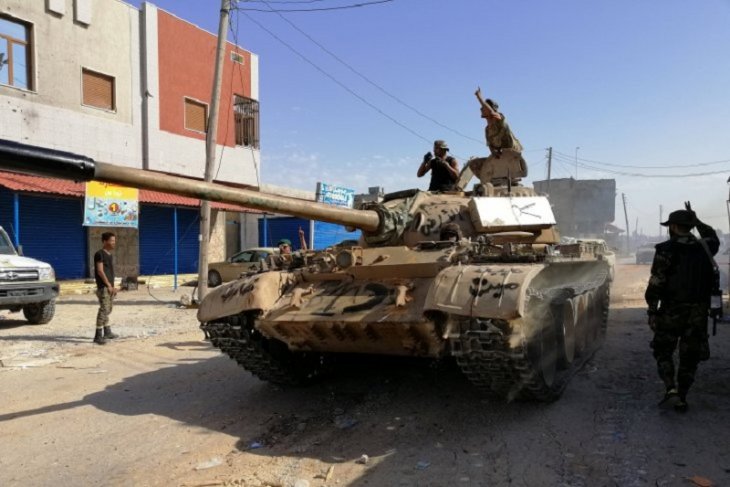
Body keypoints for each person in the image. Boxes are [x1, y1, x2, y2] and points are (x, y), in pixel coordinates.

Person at [645, 204, 719, 413]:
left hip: (671, 311)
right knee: (690, 356)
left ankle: (671, 389)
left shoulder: (666, 250)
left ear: (675, 227)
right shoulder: (706, 248)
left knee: (663, 350)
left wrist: (652, 310)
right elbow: (712, 235)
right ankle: (683, 396)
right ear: (690, 226)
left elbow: (656, 284)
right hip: (697, 313)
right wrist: (698, 222)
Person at [474, 87, 523, 158]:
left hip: (513, 154)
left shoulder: (499, 119)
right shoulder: (487, 130)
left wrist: (479, 98)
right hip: (502, 156)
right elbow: (490, 146)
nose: (481, 108)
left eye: (484, 106)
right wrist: (494, 153)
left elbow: (491, 112)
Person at [93, 231, 119, 345]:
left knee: (108, 308)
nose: (114, 243)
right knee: (104, 309)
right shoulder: (99, 254)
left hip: (109, 286)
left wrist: (113, 286)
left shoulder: (109, 254)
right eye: (112, 241)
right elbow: (100, 270)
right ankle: (98, 335)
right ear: (105, 241)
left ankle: (107, 331)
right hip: (104, 287)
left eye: (114, 241)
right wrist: (108, 284)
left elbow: (109, 271)